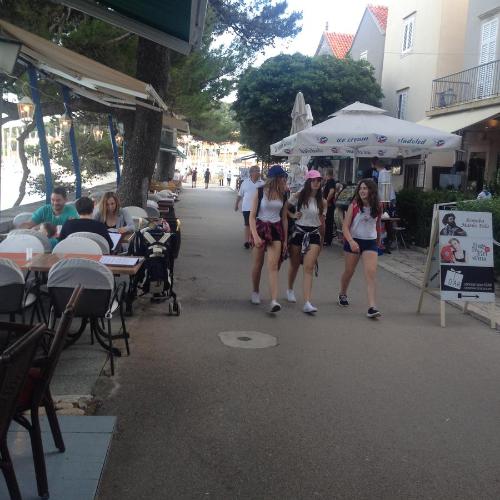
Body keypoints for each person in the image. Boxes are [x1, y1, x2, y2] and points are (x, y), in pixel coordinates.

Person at [338, 179, 383, 318]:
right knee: (349, 272)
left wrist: (378, 241)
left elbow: (378, 224)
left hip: (370, 242)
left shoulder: (378, 206)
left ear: (371, 191)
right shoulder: (354, 205)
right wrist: (351, 241)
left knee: (371, 274)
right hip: (354, 241)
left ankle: (372, 307)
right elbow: (345, 227)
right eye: (361, 188)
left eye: (365, 188)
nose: (362, 191)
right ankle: (343, 293)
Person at [249, 165, 288, 313]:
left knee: (273, 266)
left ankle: (274, 301)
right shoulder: (260, 192)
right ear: (275, 178)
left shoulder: (284, 194)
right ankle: (255, 291)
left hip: (276, 228)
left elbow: (284, 218)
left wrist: (285, 240)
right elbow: (252, 216)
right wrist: (255, 236)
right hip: (260, 227)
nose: (284, 179)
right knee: (258, 264)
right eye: (282, 177)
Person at [286, 170, 326, 314]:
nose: (316, 182)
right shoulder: (299, 196)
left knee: (309, 267)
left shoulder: (323, 201)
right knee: (295, 264)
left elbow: (322, 223)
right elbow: (284, 208)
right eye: (313, 180)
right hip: (298, 232)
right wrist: (292, 215)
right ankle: (290, 289)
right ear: (308, 182)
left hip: (314, 234)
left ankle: (307, 302)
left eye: (318, 180)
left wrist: (322, 241)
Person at [235, 165, 264, 249]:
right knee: (247, 224)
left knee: (256, 225)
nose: (258, 172)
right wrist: (236, 204)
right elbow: (240, 194)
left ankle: (253, 240)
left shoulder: (262, 183)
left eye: (259, 171)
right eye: (256, 171)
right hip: (246, 207)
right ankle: (247, 241)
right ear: (251, 173)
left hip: (259, 208)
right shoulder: (245, 182)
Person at [322, 168, 337, 246]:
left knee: (328, 222)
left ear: (327, 174)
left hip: (329, 205)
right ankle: (327, 239)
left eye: (325, 174)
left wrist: (327, 201)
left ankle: (327, 240)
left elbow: (332, 191)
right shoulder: (329, 181)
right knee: (327, 221)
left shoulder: (330, 181)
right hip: (329, 204)